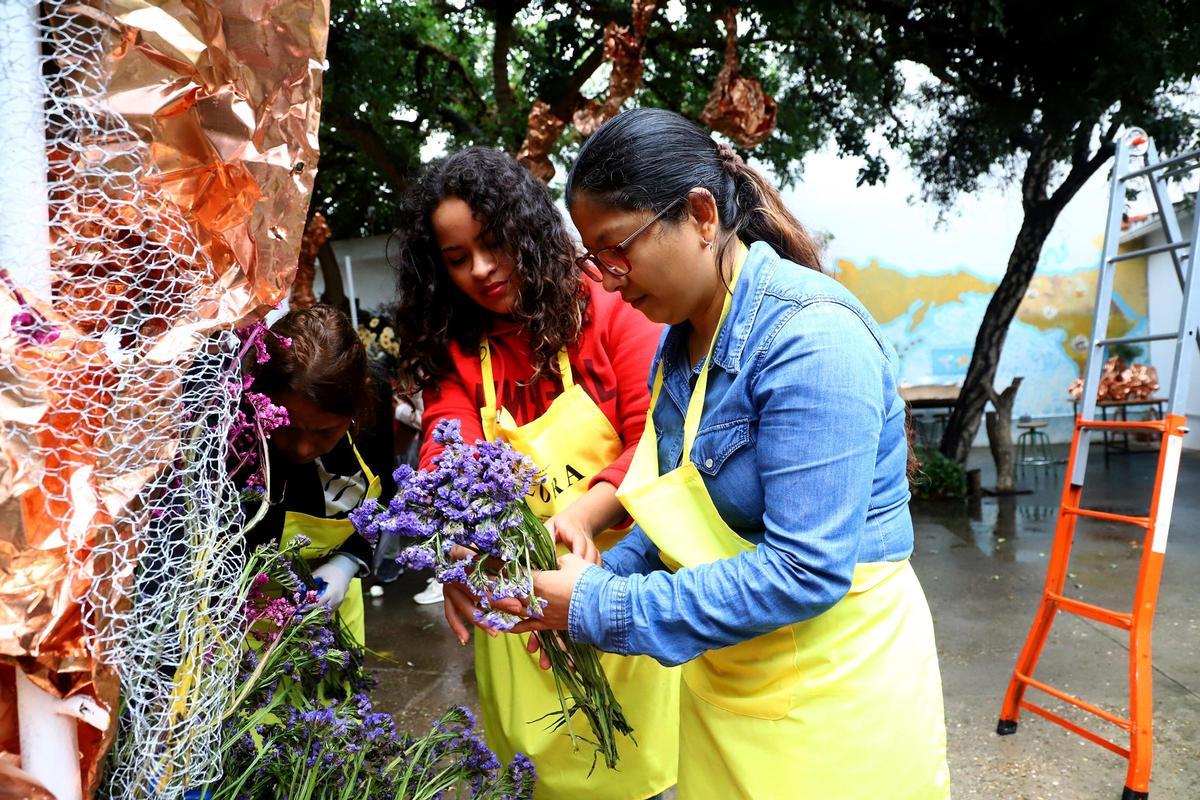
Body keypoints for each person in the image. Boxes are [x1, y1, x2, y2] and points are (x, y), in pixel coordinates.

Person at [498, 108, 951, 799]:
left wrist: (601, 607)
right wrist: (595, 574)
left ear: (702, 214)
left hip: (835, 697)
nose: (610, 279)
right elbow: (678, 513)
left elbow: (803, 571)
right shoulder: (679, 347)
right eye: (595, 258)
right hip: (731, 687)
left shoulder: (812, 341)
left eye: (619, 248)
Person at [389, 147, 679, 799]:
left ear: (528, 227)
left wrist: (580, 516)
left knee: (643, 774)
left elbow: (655, 440)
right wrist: (456, 548)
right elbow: (446, 456)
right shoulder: (461, 349)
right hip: (517, 610)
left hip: (619, 585)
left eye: (493, 244)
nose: (482, 271)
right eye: (458, 258)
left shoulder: (608, 307)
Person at [247, 304, 395, 645]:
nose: (301, 448)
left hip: (336, 604)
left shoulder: (375, 409)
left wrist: (348, 562)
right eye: (289, 429)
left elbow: (385, 492)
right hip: (253, 623)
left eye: (324, 432)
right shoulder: (245, 445)